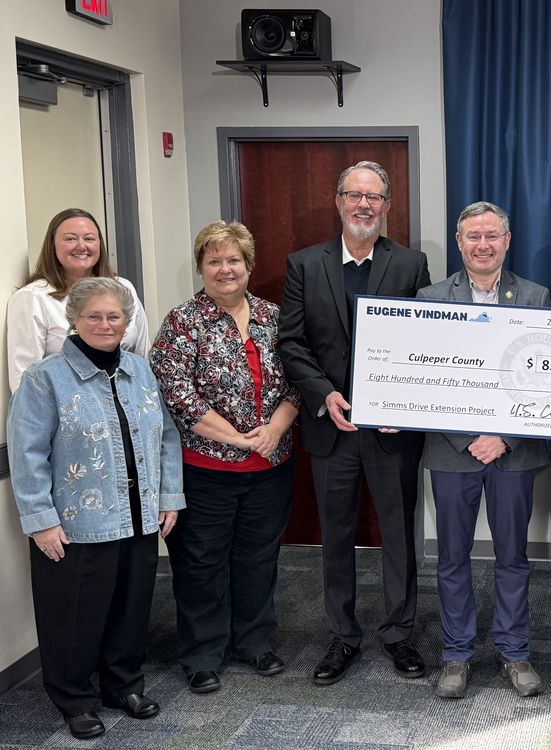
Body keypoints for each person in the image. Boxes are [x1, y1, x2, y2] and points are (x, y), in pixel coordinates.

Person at [7, 277, 184, 740]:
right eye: (94, 316)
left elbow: (166, 437)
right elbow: (26, 455)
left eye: (114, 316)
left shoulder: (141, 371)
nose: (105, 324)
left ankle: (122, 685)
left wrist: (168, 498)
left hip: (139, 516)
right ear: (75, 320)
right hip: (76, 523)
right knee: (74, 616)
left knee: (130, 607)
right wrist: (40, 521)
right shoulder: (43, 379)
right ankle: (75, 699)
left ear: (126, 322)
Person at [278, 160, 431, 685]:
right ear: (338, 202)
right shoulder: (304, 263)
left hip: (393, 433)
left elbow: (427, 343)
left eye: (374, 197)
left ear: (387, 206)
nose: (364, 204)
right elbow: (291, 343)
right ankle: (342, 636)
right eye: (354, 195)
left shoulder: (412, 264)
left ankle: (398, 634)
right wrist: (325, 394)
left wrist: (404, 403)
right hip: (332, 428)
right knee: (336, 535)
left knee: (399, 536)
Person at [150, 221, 300, 694]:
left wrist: (274, 430)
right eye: (214, 260)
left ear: (248, 265)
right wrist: (239, 439)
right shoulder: (182, 322)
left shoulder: (273, 317)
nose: (224, 269)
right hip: (206, 470)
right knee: (201, 564)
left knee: (258, 559)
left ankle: (254, 643)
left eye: (233, 259)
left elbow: (299, 375)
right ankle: (201, 654)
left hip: (271, 468)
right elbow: (176, 394)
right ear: (200, 268)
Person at [416, 201, 551, 699]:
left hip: (513, 452)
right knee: (452, 556)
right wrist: (466, 437)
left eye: (492, 235)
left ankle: (516, 653)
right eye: (473, 236)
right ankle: (456, 655)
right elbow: (427, 375)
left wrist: (505, 437)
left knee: (513, 556)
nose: (483, 244)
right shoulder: (430, 296)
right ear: (459, 241)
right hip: (453, 450)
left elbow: (540, 377)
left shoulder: (535, 296)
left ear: (507, 241)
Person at [7, 208, 149, 392]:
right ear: (53, 246)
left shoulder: (124, 288)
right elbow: (24, 382)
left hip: (126, 404)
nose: (81, 246)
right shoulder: (32, 298)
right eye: (70, 239)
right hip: (67, 411)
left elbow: (142, 358)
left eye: (89, 238)